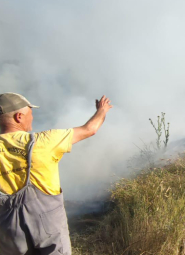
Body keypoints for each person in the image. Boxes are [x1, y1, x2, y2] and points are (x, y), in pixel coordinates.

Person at [0, 92, 112, 255]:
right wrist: (102, 110)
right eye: (30, 113)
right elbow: (90, 129)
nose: (32, 117)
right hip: (48, 227)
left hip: (7, 230)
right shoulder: (44, 141)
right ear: (19, 116)